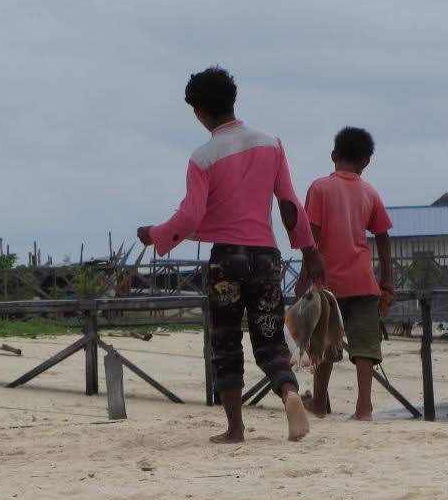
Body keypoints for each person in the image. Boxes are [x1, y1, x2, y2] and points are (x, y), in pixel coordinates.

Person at [136, 67, 325, 444]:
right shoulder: (271, 144)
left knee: (225, 340)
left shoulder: (203, 157)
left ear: (199, 112)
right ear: (233, 100)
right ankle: (289, 393)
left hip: (227, 260)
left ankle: (235, 429)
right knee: (269, 338)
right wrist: (309, 250)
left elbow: (190, 216)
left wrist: (155, 235)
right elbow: (288, 203)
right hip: (266, 257)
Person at [294, 127, 394, 421]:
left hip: (327, 283)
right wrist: (386, 278)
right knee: (365, 345)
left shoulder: (320, 188)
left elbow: (310, 236)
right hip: (364, 281)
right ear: (366, 162)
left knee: (323, 343)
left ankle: (319, 402)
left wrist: (303, 279)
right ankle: (364, 407)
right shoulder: (370, 192)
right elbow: (384, 236)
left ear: (334, 155)